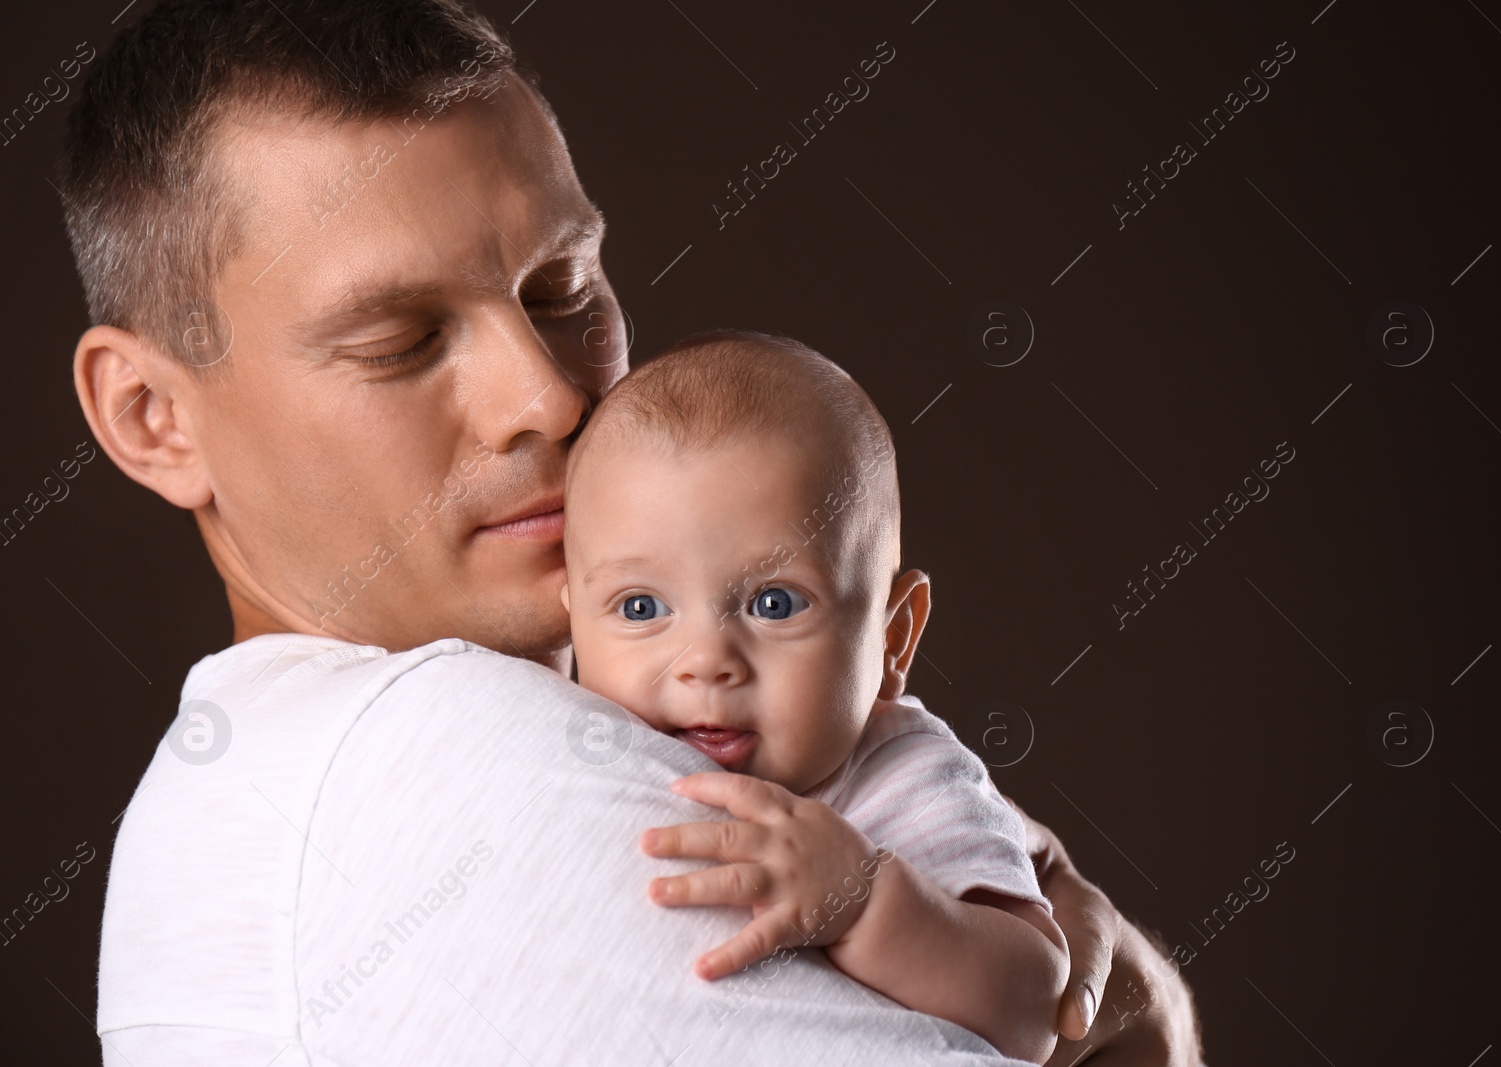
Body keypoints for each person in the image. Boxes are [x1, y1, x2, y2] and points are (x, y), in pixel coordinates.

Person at [62, 1, 1201, 1064]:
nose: (549, 398)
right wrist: (1131, 998)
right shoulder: (443, 761)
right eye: (399, 340)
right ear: (153, 418)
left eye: (560, 286)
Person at [561, 331, 1067, 1062]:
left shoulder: (908, 776)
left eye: (774, 602)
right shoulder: (573, 745)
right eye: (641, 607)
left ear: (893, 640)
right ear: (570, 613)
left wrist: (867, 900)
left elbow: (1037, 1004)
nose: (706, 662)